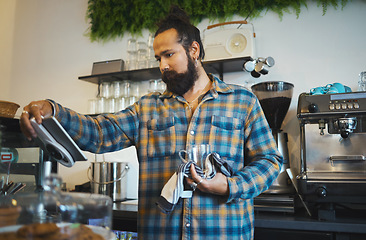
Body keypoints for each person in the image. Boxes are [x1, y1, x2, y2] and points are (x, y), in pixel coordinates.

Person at [20, 5, 283, 240]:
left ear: (194, 50)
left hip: (225, 233)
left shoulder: (242, 100)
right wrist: (54, 111)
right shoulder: (147, 107)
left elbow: (269, 161)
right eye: (158, 58)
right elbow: (100, 132)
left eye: (169, 55)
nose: (163, 66)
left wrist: (229, 185)